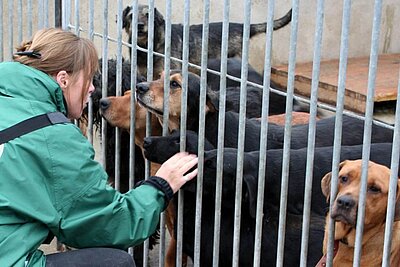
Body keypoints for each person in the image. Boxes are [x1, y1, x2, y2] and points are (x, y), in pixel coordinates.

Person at [0, 28, 198, 266]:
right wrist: (160, 185)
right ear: (63, 79)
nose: (93, 88)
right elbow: (113, 224)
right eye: (89, 78)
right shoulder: (53, 136)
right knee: (115, 262)